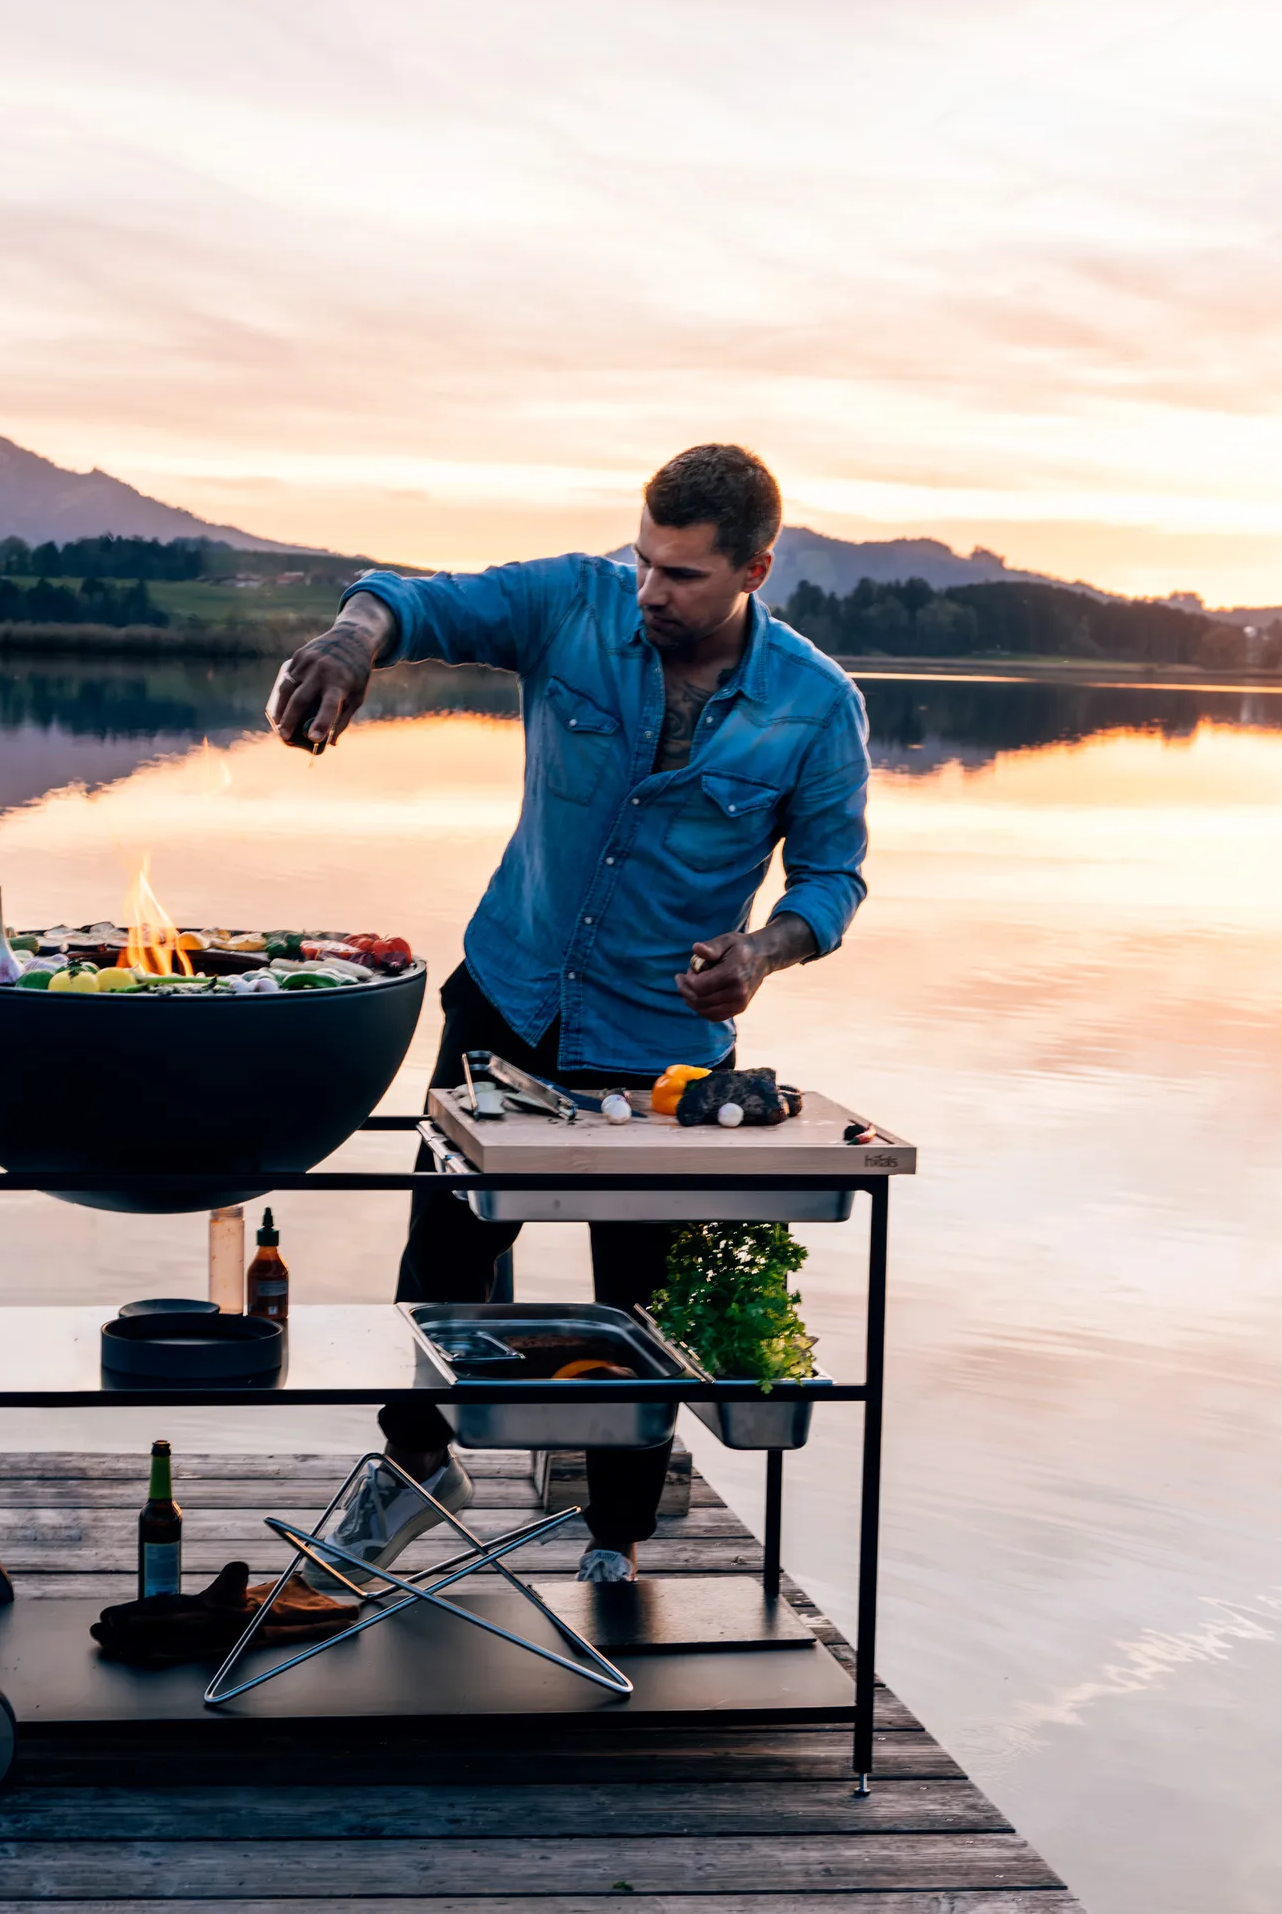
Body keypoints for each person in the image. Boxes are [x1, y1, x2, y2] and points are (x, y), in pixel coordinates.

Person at [267, 442, 870, 1587]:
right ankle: (416, 1470)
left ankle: (615, 1544)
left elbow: (832, 877)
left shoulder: (815, 705)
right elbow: (410, 599)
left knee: (638, 1313)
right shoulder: (573, 604)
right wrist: (352, 641)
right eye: (643, 559)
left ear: (755, 567)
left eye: (682, 575)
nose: (648, 590)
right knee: (441, 1265)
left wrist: (764, 951)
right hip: (507, 1003)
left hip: (665, 1061)